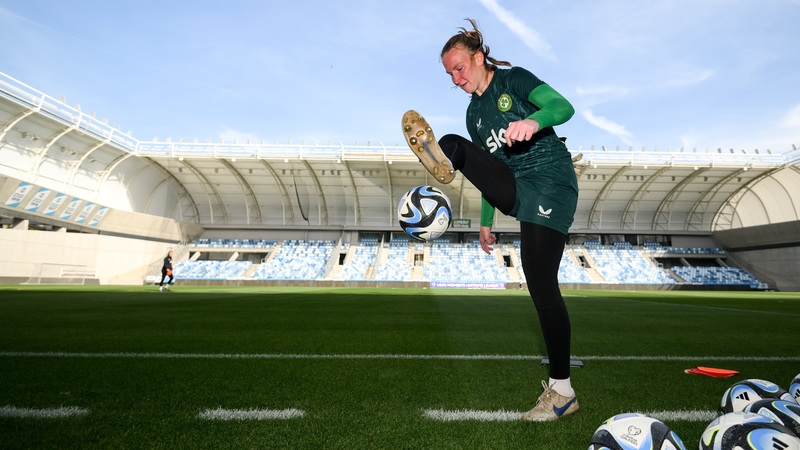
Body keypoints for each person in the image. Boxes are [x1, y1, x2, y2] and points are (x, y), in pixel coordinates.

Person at [402, 18, 579, 422]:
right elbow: (491, 169)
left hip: (550, 181)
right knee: (453, 145)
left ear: (479, 58)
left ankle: (563, 391)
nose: (456, 78)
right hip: (515, 185)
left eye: (460, 68)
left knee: (540, 281)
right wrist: (486, 222)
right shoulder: (474, 116)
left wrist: (534, 120)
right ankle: (445, 164)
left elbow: (564, 106)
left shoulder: (513, 80)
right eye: (450, 74)